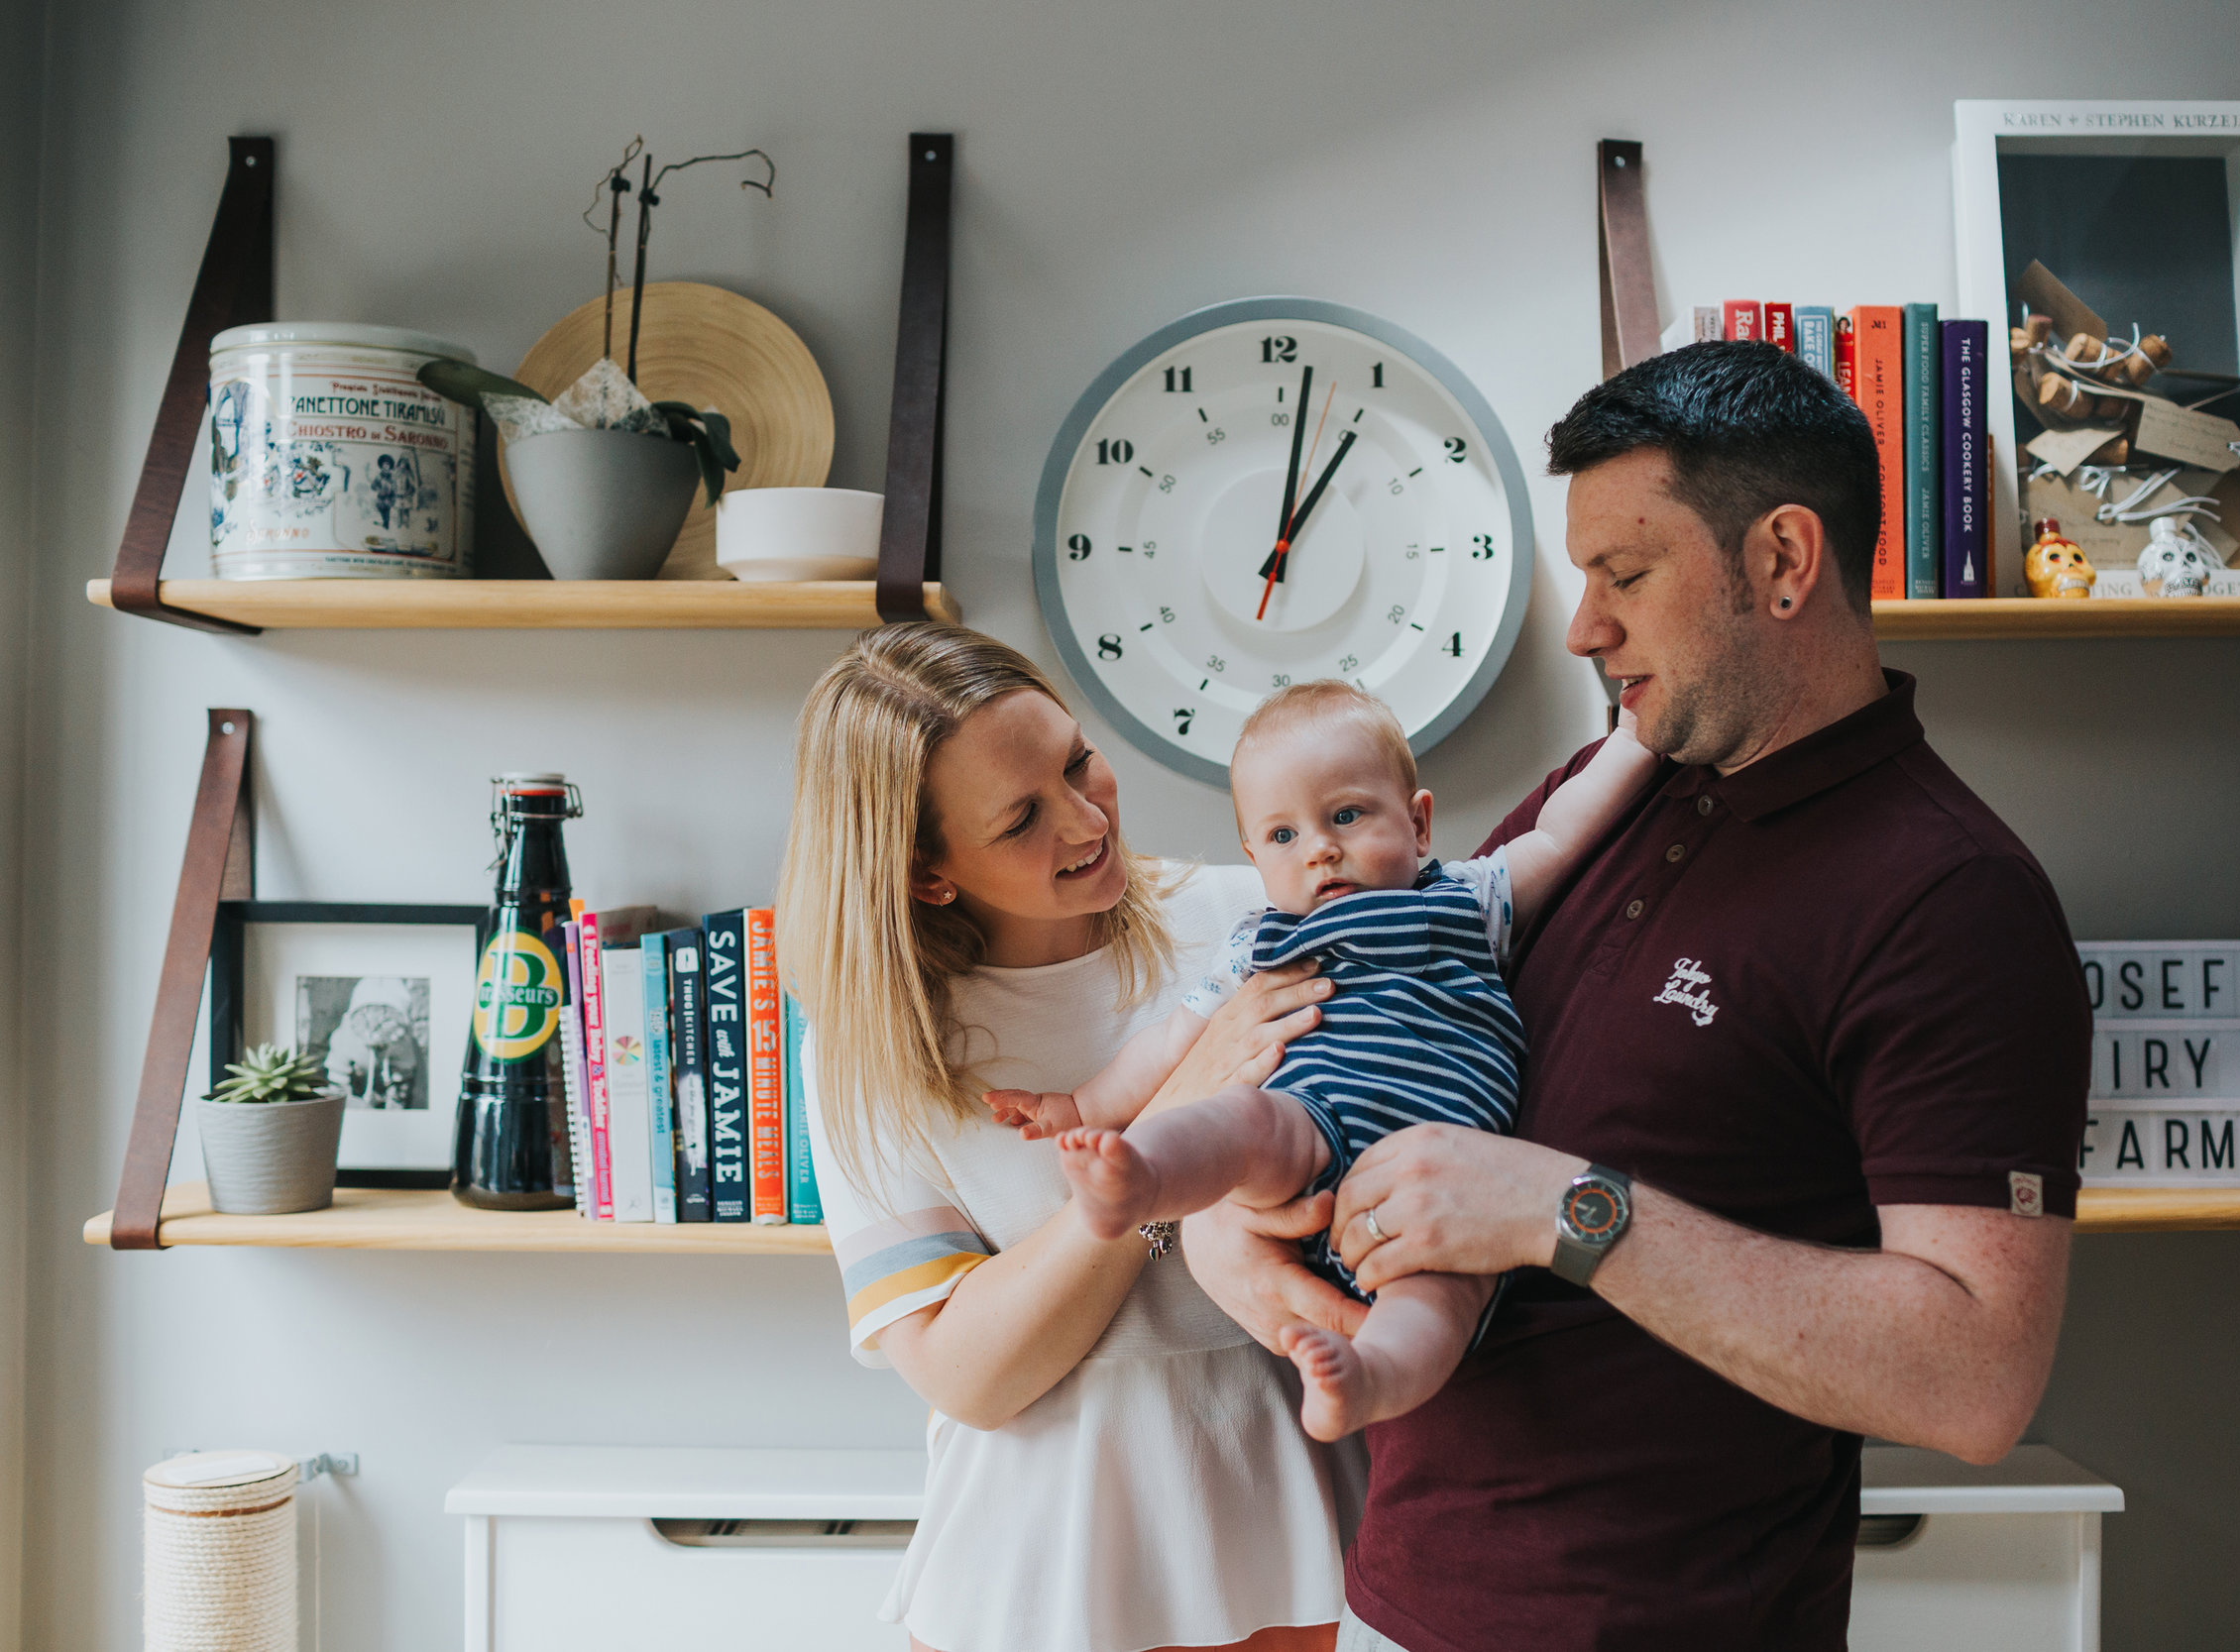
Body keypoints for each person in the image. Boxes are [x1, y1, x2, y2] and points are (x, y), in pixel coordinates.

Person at [1183, 340, 2091, 1651]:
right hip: (1395, 1596)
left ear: (1783, 560)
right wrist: (1225, 1231)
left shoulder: (1952, 899)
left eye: (1626, 572)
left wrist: (1568, 1208)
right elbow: (1362, 1046)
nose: (1581, 624)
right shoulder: (1600, 796)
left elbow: (1976, 1375)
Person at [778, 624, 1364, 1652]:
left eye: (1076, 759)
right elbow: (969, 1373)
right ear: (926, 873)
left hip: (1308, 1499)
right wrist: (1171, 1135)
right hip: (1047, 1564)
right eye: (1021, 818)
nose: (1088, 817)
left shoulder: (1249, 913)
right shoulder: (876, 1049)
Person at [986, 680, 1656, 1441]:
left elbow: (1559, 837)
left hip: (1446, 1180)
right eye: (1282, 837)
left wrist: (1634, 742)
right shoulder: (1260, 942)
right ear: (1253, 855)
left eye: (1346, 815)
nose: (1319, 848)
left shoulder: (1469, 897)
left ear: (1419, 821)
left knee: (1443, 1294)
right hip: (1312, 1125)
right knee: (1240, 1119)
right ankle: (1142, 1180)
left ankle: (1369, 1378)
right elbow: (1174, 1044)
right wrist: (1077, 1109)